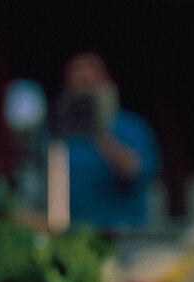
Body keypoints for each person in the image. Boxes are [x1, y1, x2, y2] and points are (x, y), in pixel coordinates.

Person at [58, 52, 159, 229]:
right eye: (80, 85)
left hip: (125, 235)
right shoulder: (58, 135)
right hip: (74, 235)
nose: (87, 95)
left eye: (92, 84)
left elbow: (136, 172)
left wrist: (99, 132)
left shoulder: (132, 127)